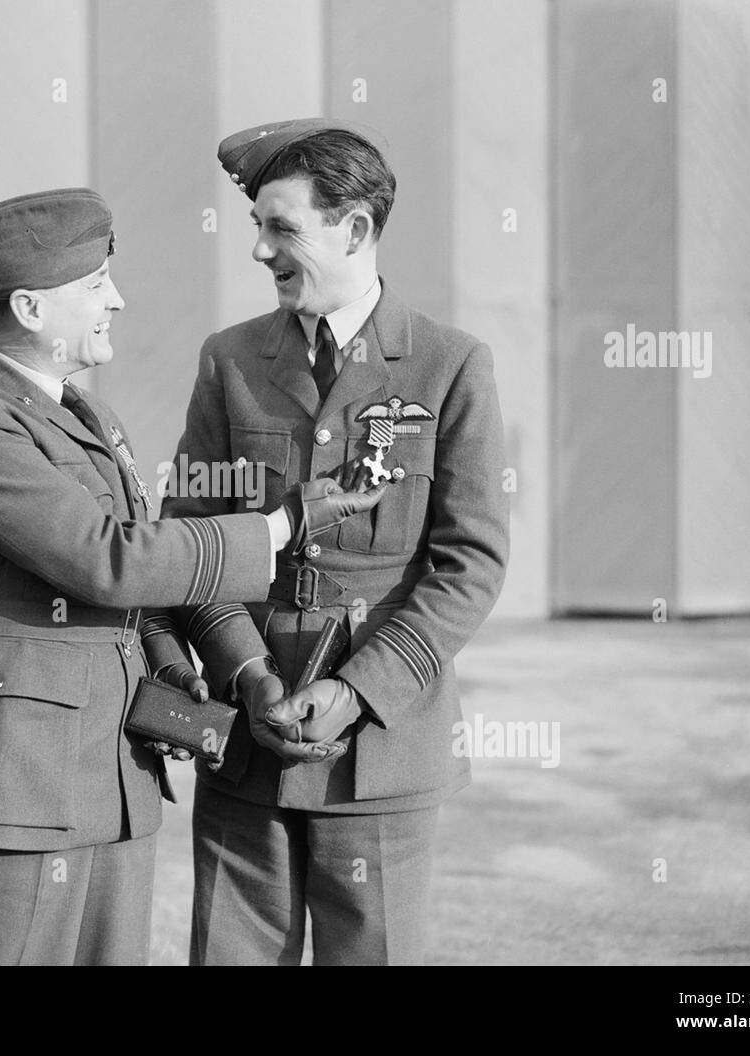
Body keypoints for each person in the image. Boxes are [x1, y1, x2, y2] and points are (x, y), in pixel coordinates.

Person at [0, 186, 382, 965]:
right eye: (93, 286)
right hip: (9, 784)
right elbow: (109, 559)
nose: (115, 301)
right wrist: (281, 524)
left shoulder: (86, 415)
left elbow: (137, 585)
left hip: (109, 778)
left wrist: (166, 664)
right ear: (28, 308)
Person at [160, 120, 510, 965]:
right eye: (257, 228)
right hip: (248, 735)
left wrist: (356, 691)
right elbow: (191, 541)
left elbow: (471, 565)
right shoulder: (230, 361)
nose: (259, 251)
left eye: (281, 229)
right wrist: (246, 674)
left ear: (354, 229)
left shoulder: (448, 365)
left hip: (380, 749)